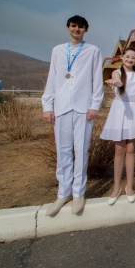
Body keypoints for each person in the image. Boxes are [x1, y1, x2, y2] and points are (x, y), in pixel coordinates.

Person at [42, 15, 104, 216]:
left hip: (83, 108)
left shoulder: (93, 51)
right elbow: (52, 78)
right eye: (74, 26)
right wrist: (47, 106)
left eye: (81, 27)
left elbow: (97, 79)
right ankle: (63, 193)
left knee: (81, 150)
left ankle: (78, 193)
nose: (77, 29)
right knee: (63, 151)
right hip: (62, 107)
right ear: (68, 27)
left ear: (86, 30)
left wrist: (95, 105)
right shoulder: (58, 51)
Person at [101, 48, 135, 204]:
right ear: (122, 57)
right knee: (119, 149)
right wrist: (116, 82)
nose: (130, 59)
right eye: (127, 56)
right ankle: (116, 187)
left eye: (133, 57)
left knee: (131, 149)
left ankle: (129, 186)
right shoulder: (117, 72)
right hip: (121, 111)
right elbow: (118, 81)